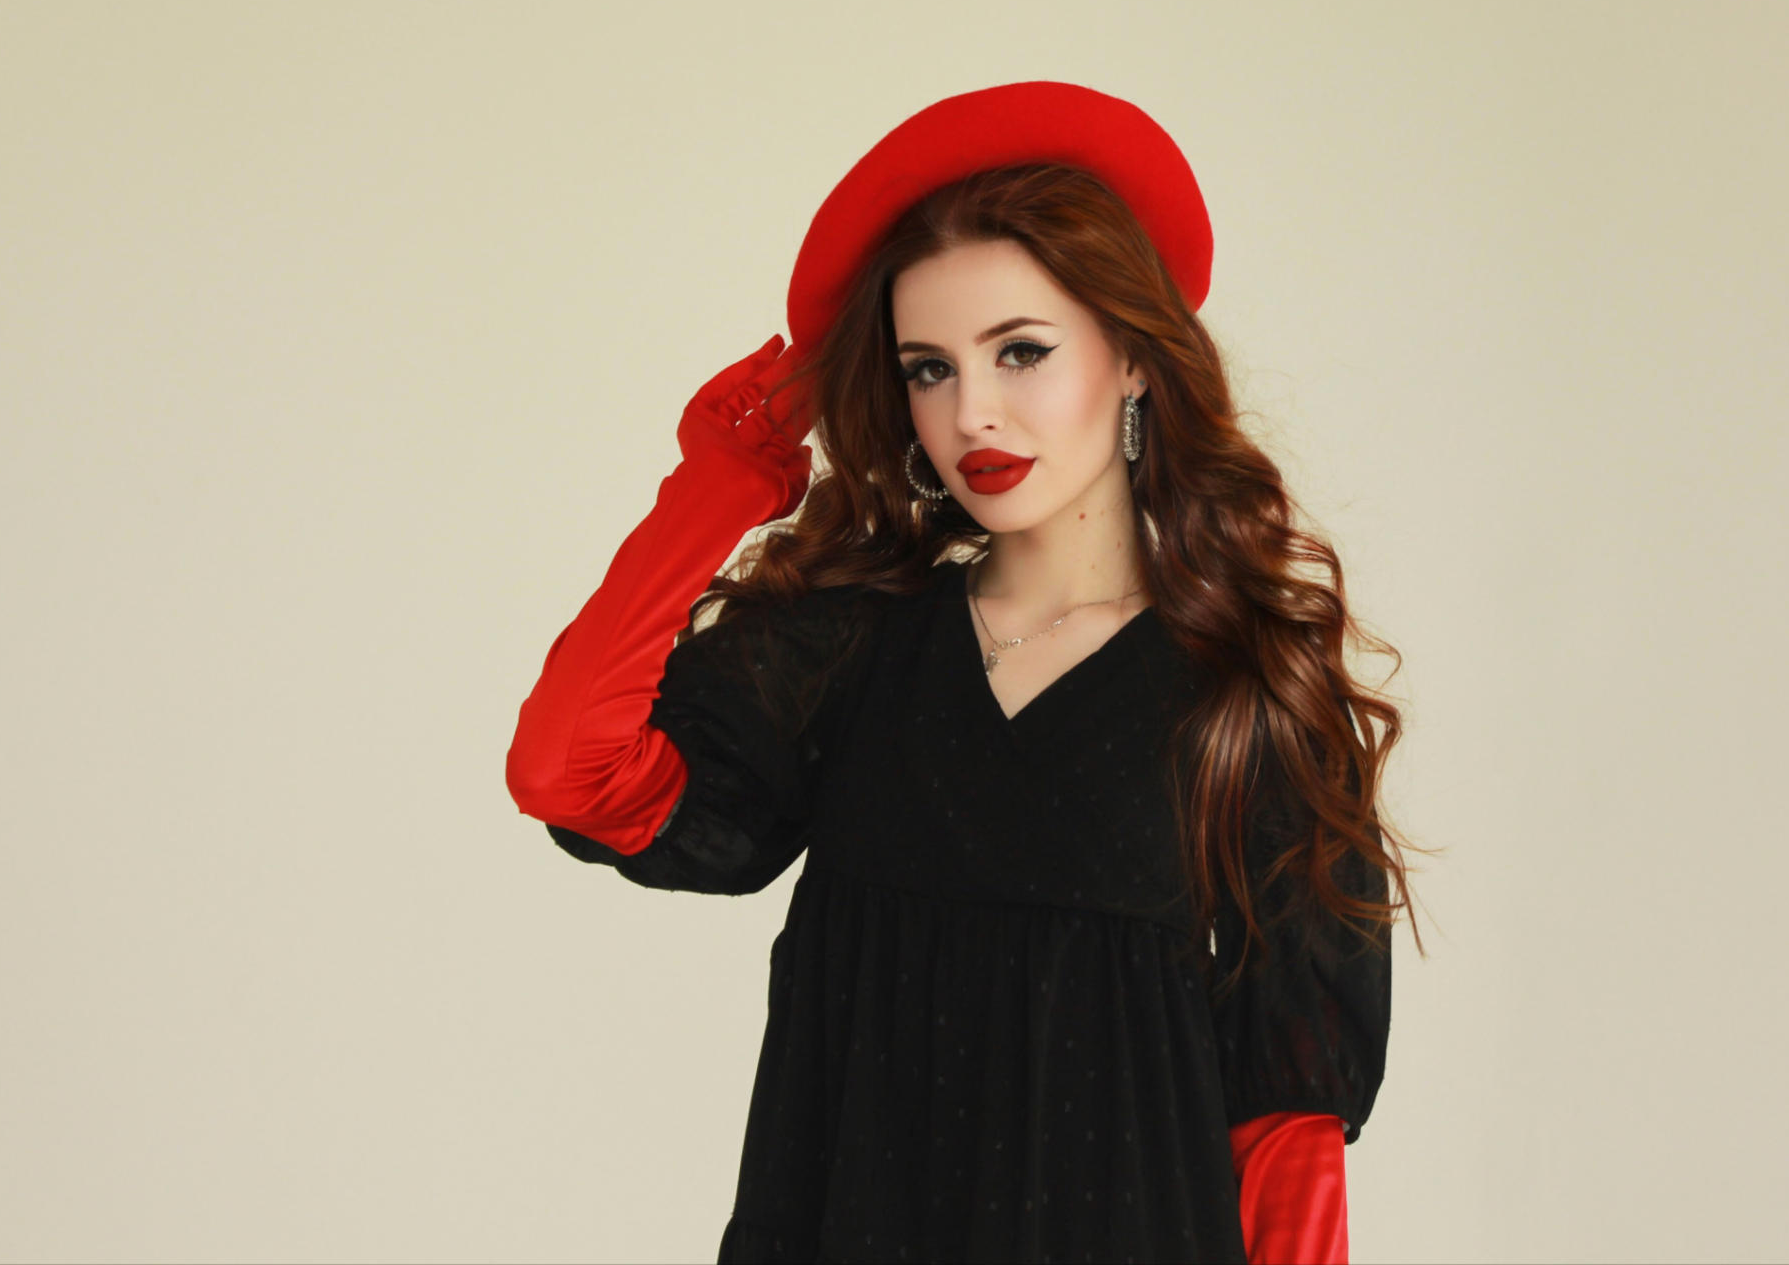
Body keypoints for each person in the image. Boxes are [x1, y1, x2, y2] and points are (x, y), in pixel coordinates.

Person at [506, 81, 1419, 1263]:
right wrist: (720, 485)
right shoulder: (849, 649)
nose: (971, 412)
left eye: (1020, 352)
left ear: (1133, 361)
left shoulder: (1245, 694)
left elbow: (1286, 1136)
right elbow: (567, 770)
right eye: (927, 368)